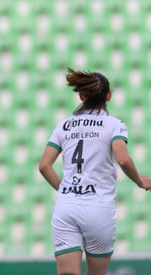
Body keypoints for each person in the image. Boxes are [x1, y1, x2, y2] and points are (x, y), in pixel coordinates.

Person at [38, 67, 151, 275]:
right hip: (98, 207)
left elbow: (44, 165)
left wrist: (64, 189)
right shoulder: (114, 125)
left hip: (66, 207)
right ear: (108, 96)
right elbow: (123, 159)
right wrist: (139, 181)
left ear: (81, 96)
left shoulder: (64, 125)